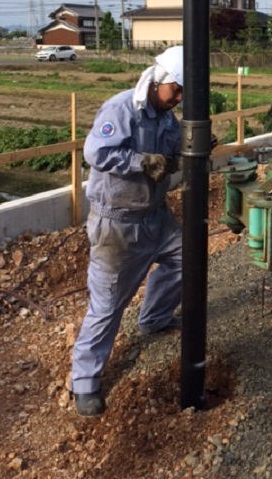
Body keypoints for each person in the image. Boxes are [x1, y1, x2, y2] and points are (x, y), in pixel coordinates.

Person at [71, 45, 184, 417]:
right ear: (159, 80)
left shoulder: (168, 120)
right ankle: (84, 383)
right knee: (107, 306)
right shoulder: (121, 109)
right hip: (117, 223)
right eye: (177, 90)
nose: (179, 98)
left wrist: (184, 153)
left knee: (187, 257)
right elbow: (96, 153)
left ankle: (154, 318)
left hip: (156, 217)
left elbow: (171, 158)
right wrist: (141, 162)